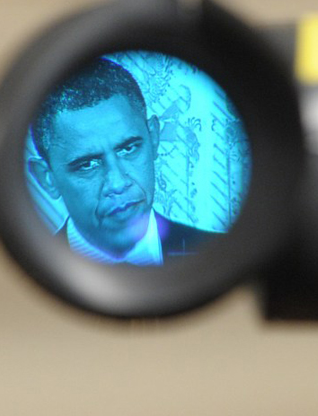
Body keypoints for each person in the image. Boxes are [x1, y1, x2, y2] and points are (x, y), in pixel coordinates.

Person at [28, 58, 217, 265]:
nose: (117, 183)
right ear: (47, 179)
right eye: (87, 165)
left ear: (153, 138)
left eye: (129, 149)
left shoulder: (221, 256)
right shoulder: (18, 284)